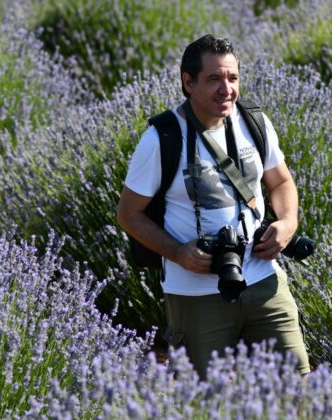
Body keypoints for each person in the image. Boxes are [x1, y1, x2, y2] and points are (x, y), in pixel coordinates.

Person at [116, 34, 310, 379]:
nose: (227, 90)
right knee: (206, 400)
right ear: (187, 82)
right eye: (214, 79)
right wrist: (177, 252)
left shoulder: (254, 123)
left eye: (232, 78)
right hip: (196, 293)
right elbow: (128, 214)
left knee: (297, 386)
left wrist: (287, 223)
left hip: (264, 281)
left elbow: (281, 182)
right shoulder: (161, 139)